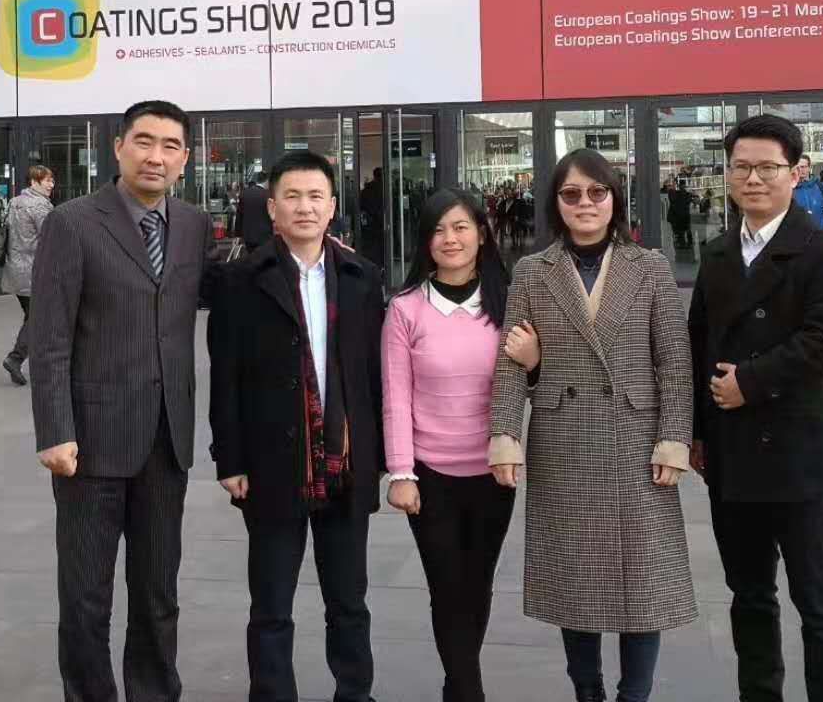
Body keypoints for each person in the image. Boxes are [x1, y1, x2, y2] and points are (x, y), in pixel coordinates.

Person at [488, 147, 695, 702]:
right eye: (571, 194)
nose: (585, 203)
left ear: (614, 200)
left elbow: (675, 362)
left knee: (642, 582)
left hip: (636, 443)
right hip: (564, 442)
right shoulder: (532, 271)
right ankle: (588, 692)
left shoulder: (649, 267)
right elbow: (510, 362)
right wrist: (505, 437)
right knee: (573, 580)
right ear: (556, 203)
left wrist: (674, 439)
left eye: (597, 192)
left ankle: (634, 696)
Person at [29, 100, 218, 702]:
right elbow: (49, 338)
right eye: (144, 141)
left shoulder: (193, 224)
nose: (155, 156)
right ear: (118, 147)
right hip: (91, 442)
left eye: (170, 145)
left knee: (159, 593)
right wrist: (54, 430)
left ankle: (154, 692)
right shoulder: (73, 223)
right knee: (86, 596)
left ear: (185, 159)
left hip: (167, 439)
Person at [688, 115, 823, 702]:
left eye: (767, 167)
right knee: (750, 597)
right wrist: (696, 431)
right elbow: (697, 346)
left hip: (798, 456)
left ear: (796, 172)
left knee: (819, 602)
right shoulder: (717, 254)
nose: (753, 178)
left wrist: (752, 382)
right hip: (732, 457)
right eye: (741, 167)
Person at [208, 150, 386, 702]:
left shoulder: (361, 277)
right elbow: (225, 377)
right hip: (271, 463)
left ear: (332, 207)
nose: (304, 207)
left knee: (349, 603)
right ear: (272, 208)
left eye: (315, 196)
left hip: (344, 463)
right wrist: (230, 459)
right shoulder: (240, 280)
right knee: (271, 606)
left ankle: (354, 692)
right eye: (292, 196)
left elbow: (374, 375)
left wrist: (378, 456)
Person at [382, 188, 533, 702]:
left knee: (477, 583)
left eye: (461, 227)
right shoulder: (405, 309)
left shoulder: (509, 302)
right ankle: (469, 690)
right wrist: (401, 472)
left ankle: (457, 684)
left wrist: (535, 362)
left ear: (482, 235)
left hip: (494, 472)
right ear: (425, 241)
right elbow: (395, 396)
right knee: (447, 587)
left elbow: (537, 383)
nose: (450, 238)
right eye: (438, 229)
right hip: (431, 476)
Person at [1, 165, 55, 386]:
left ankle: (39, 362)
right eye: (47, 181)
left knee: (33, 317)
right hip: (35, 271)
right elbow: (52, 237)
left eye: (52, 181)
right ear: (34, 182)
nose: (51, 185)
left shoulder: (14, 202)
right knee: (39, 319)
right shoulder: (40, 206)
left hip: (16, 270)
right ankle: (15, 359)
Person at [792, 155, 823, 235]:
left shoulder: (821, 187)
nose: (800, 170)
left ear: (809, 168)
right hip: (797, 237)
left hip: (819, 237)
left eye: (803, 167)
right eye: (797, 167)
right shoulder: (789, 189)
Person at [235, 170, 273, 253]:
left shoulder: (245, 193)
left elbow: (239, 215)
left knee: (252, 257)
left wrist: (238, 234)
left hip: (248, 236)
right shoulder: (268, 196)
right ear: (267, 181)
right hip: (265, 236)